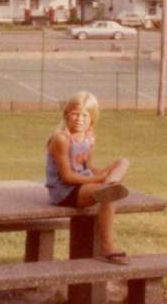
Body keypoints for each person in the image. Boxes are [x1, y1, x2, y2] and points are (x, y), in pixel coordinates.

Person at [45, 91, 131, 264]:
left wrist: (102, 174)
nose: (79, 119)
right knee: (109, 194)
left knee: (123, 162)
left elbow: (88, 166)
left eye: (85, 115)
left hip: (84, 184)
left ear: (92, 118)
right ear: (66, 115)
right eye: (75, 114)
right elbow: (68, 177)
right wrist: (100, 179)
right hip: (65, 191)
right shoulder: (61, 139)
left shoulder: (89, 137)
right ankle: (107, 247)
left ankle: (111, 184)